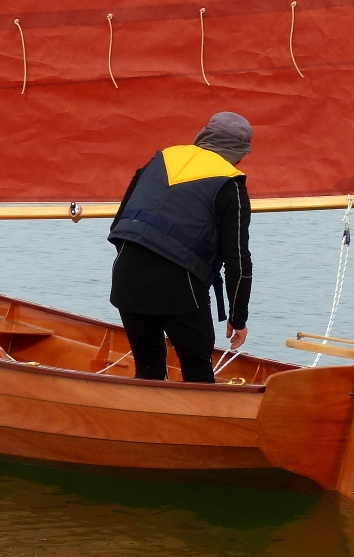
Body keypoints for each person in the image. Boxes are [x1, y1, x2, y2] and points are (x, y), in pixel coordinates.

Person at [107, 112, 253, 384]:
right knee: (197, 372)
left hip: (127, 275)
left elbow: (119, 224)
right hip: (180, 285)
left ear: (203, 136)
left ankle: (145, 423)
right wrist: (238, 317)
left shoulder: (161, 159)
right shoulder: (230, 185)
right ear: (239, 153)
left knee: (148, 371)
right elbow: (238, 261)